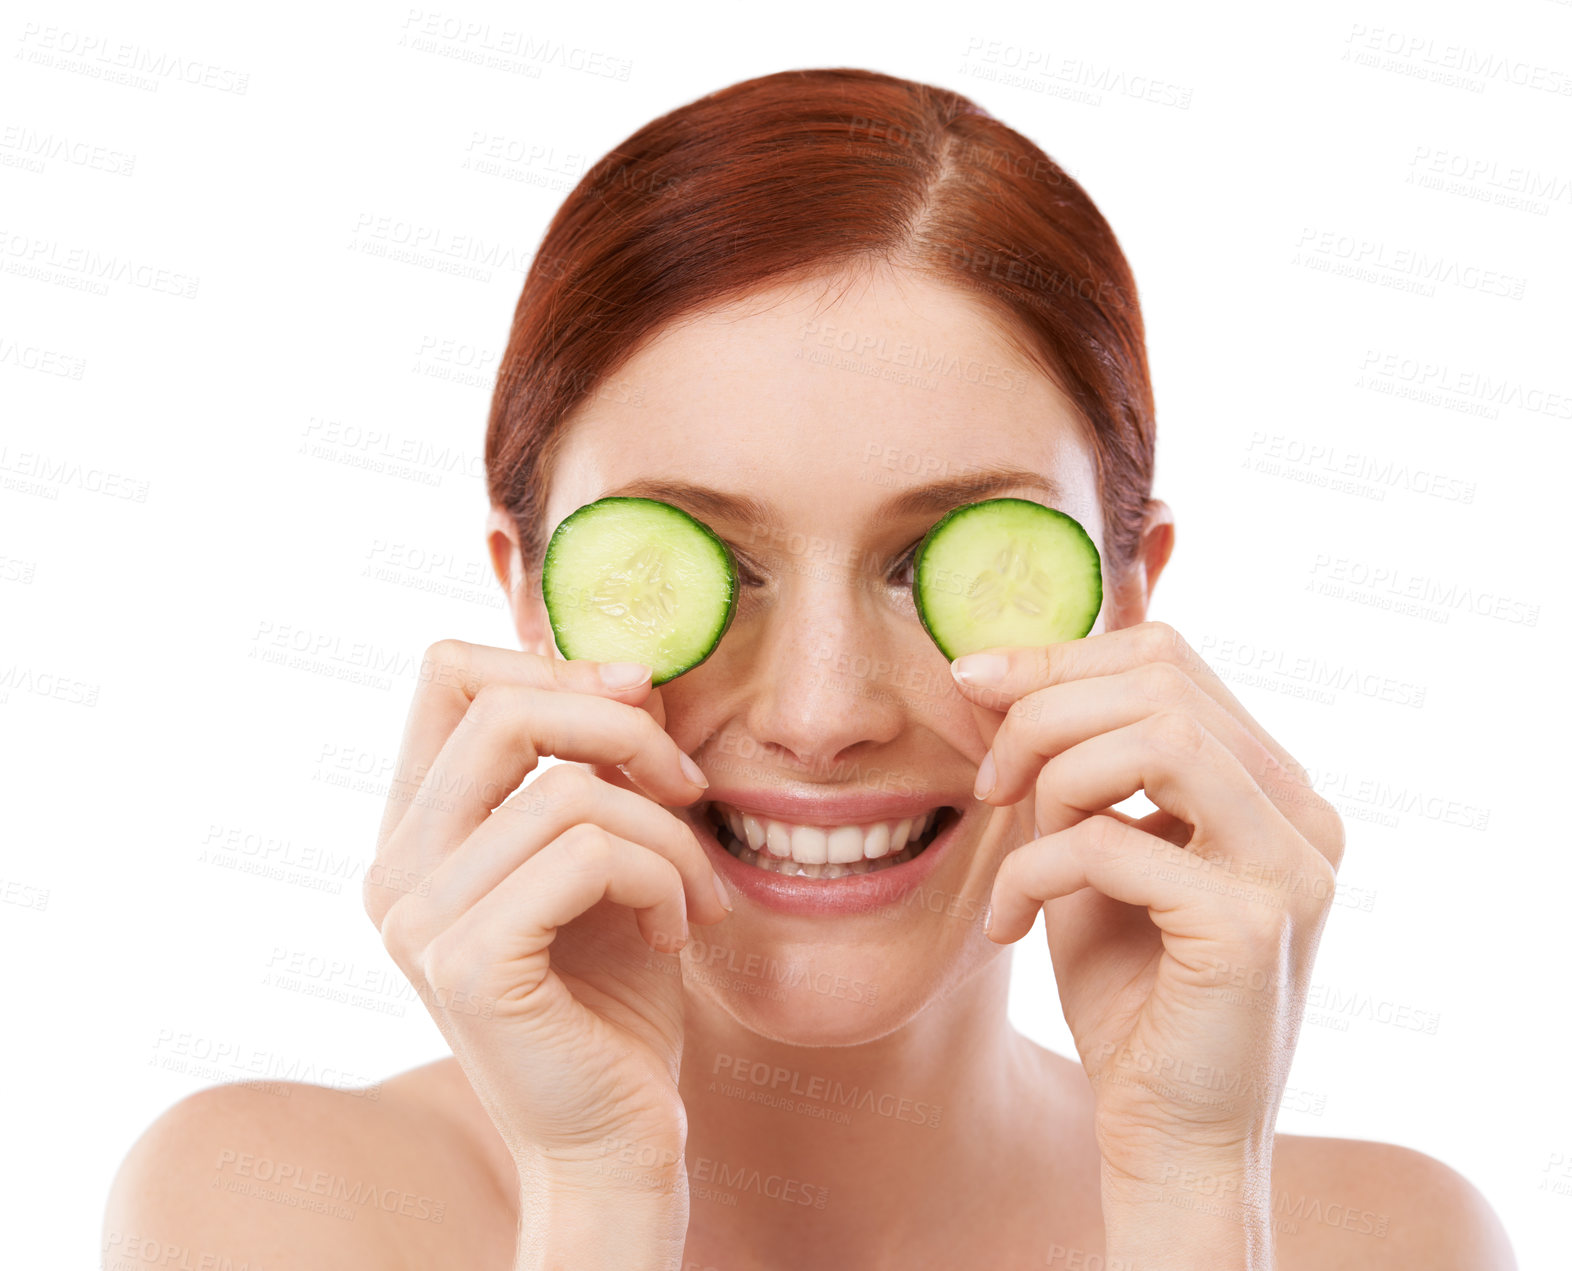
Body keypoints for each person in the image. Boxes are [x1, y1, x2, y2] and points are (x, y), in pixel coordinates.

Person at [104, 67, 1516, 1269]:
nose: (823, 714)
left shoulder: (1379, 1240)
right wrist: (597, 1192)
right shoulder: (272, 1209)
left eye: (939, 563)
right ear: (530, 609)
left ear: (1131, 599)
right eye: (702, 564)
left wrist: (1193, 1192)